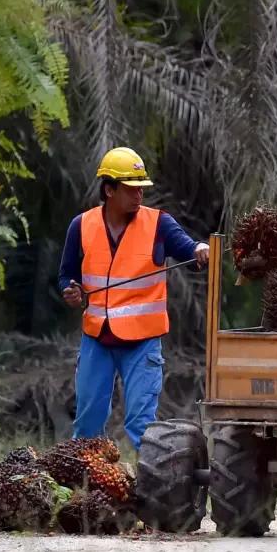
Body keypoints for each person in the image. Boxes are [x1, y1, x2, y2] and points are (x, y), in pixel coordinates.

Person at [58, 147, 209, 451]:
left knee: (142, 426)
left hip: (142, 343)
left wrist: (200, 249)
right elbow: (66, 275)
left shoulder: (159, 224)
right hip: (97, 339)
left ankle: (159, 492)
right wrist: (72, 290)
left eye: (141, 188)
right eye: (131, 190)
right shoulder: (81, 226)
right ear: (109, 189)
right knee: (87, 425)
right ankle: (89, 491)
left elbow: (189, 251)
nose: (139, 195)